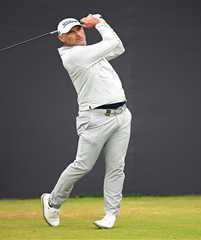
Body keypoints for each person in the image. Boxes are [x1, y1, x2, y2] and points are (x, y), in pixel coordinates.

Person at [41, 14, 132, 229]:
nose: (77, 33)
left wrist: (101, 24)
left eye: (78, 29)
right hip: (95, 119)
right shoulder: (73, 56)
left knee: (116, 168)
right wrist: (99, 22)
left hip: (122, 115)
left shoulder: (91, 54)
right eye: (70, 32)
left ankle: (110, 215)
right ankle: (53, 202)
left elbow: (119, 49)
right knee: (82, 165)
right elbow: (114, 43)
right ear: (61, 39)